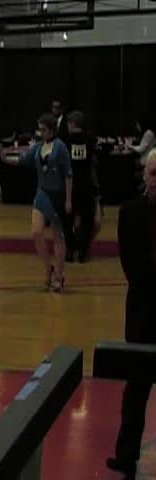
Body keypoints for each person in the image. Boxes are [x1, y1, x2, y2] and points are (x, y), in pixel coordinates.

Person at [107, 151, 156, 479]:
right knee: (136, 388)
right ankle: (126, 455)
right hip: (142, 309)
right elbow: (128, 261)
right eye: (153, 173)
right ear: (144, 175)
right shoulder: (130, 212)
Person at [0, 113, 73, 292]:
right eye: (39, 129)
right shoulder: (38, 147)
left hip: (57, 195)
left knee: (57, 236)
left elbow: (68, 174)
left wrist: (68, 199)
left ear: (52, 130)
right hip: (42, 193)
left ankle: (59, 275)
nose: (40, 133)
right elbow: (22, 160)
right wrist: (5, 158)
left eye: (43, 129)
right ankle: (48, 267)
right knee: (36, 232)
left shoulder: (61, 147)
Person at [64, 111, 101, 263]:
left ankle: (69, 251)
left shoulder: (65, 141)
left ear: (72, 123)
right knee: (87, 220)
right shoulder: (91, 140)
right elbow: (94, 162)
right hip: (86, 185)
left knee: (68, 220)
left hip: (70, 186)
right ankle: (82, 252)